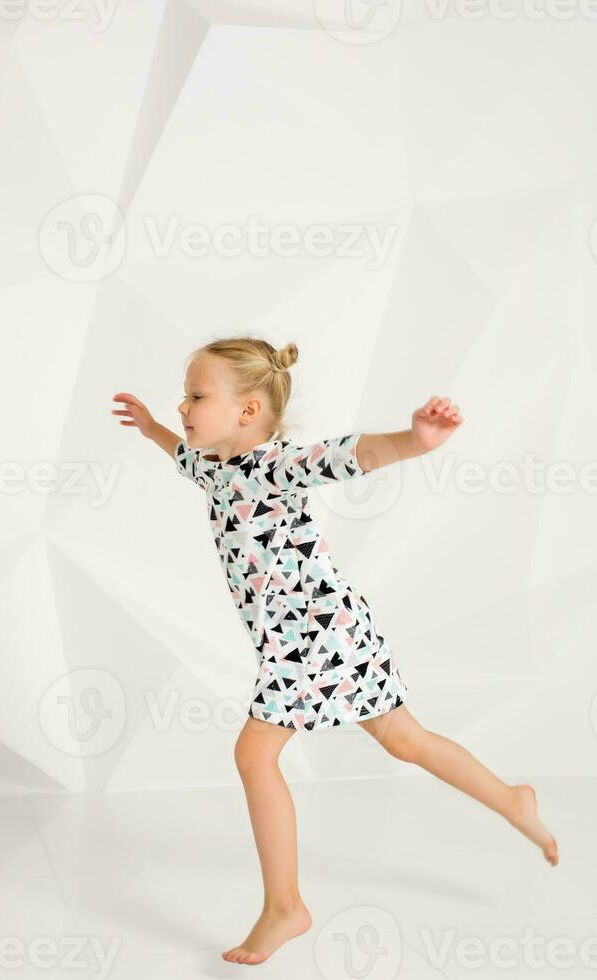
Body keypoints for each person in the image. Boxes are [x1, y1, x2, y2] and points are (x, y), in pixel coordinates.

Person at [112, 336, 559, 966]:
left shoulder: (275, 465)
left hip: (321, 636)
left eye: (195, 395)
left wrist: (415, 441)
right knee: (406, 741)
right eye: (184, 395)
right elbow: (182, 456)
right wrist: (154, 428)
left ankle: (284, 907)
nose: (182, 405)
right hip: (320, 638)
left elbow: (345, 458)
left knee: (253, 754)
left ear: (247, 411)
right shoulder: (214, 467)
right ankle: (513, 800)